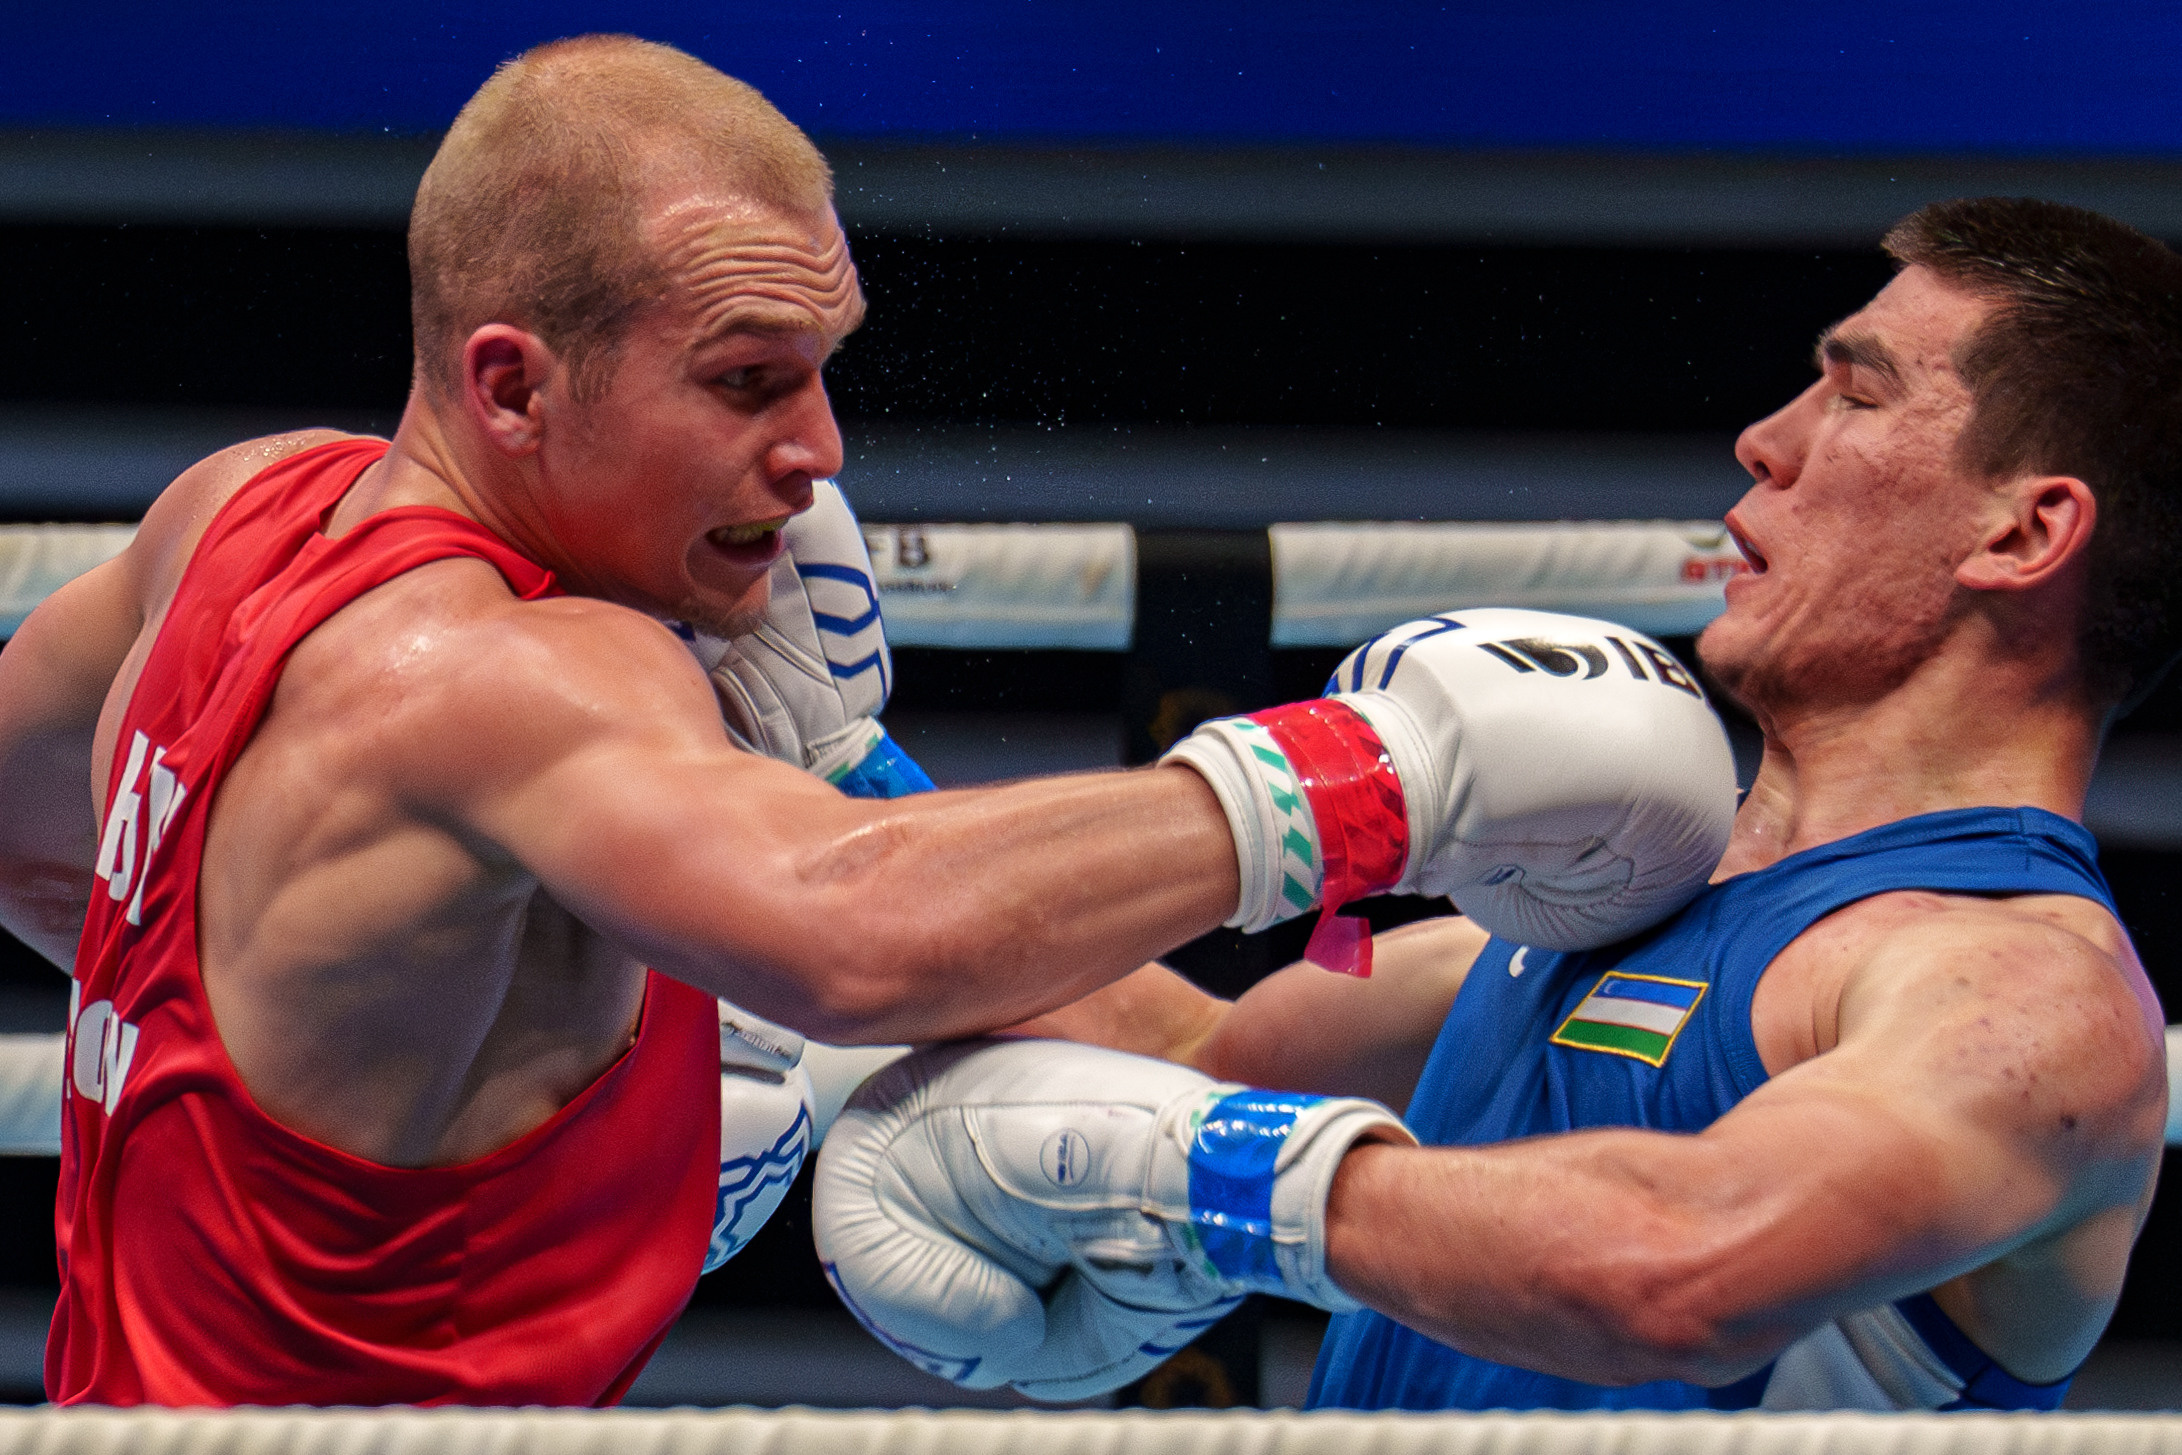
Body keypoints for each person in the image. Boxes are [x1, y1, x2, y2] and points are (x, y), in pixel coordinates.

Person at [0, 37, 1734, 1406]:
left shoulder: (237, 510)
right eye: (746, 379)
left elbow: (1184, 1046)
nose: (821, 448)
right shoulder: (519, 679)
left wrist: (318, 1065)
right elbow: (858, 938)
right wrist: (1392, 775)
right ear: (511, 383)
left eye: (826, 365)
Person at [816, 196, 2176, 1413]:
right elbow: (1193, 1062)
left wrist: (1231, 1183)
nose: (1765, 442)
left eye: (1857, 398)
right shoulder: (1623, 895)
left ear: (2020, 534)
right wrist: (818, 751)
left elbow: (1677, 1265)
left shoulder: (2013, 994)